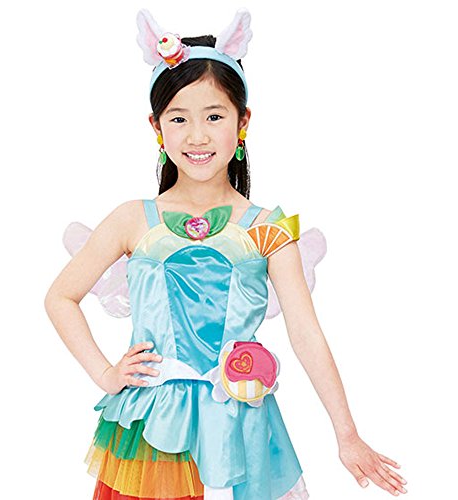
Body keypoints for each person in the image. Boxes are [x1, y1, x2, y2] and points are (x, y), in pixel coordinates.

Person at [44, 8, 407, 499]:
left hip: (241, 426)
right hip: (154, 431)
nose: (197, 135)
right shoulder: (132, 219)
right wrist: (106, 374)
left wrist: (347, 435)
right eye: (179, 118)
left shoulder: (268, 228)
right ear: (157, 127)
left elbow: (306, 333)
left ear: (242, 122)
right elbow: (60, 297)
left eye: (214, 116)